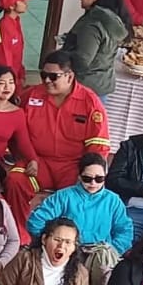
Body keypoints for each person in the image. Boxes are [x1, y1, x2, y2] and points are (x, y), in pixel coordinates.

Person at [27, 154, 133, 285]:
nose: (93, 183)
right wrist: (53, 244)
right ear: (79, 176)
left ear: (105, 176)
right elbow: (36, 222)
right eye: (87, 178)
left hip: (100, 258)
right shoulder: (63, 196)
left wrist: (110, 251)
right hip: (68, 253)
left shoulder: (113, 200)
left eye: (99, 179)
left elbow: (125, 231)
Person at [15, 50, 111, 194]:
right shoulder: (30, 95)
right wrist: (28, 157)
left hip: (73, 166)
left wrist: (88, 172)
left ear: (70, 76)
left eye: (53, 76)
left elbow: (98, 146)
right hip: (37, 161)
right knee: (15, 181)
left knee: (78, 195)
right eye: (44, 75)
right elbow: (12, 126)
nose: (47, 80)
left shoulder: (90, 103)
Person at [65, 0, 132, 97]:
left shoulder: (93, 24)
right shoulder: (112, 18)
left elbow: (82, 60)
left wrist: (63, 55)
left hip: (86, 87)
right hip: (101, 84)